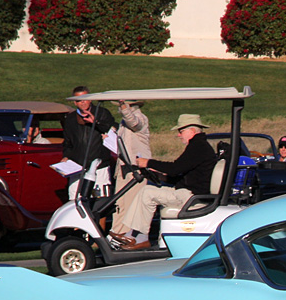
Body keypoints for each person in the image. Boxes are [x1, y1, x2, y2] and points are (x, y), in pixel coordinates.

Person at [109, 113, 216, 251]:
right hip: (187, 191)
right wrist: (158, 176)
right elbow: (182, 174)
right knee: (147, 191)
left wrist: (148, 162)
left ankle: (137, 237)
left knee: (148, 194)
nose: (179, 135)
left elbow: (175, 168)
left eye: (181, 131)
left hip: (191, 196)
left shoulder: (198, 147)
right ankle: (135, 236)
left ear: (192, 131)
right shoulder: (198, 146)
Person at [62, 85, 116, 199]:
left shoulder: (102, 113)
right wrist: (66, 156)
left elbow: (111, 130)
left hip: (99, 165)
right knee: (74, 198)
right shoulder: (70, 119)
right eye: (79, 100)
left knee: (101, 199)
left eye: (85, 99)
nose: (83, 102)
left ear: (90, 99)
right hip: (78, 166)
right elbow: (68, 142)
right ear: (75, 103)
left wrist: (95, 122)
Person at [112, 100, 151, 229]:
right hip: (124, 167)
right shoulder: (123, 123)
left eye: (122, 106)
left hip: (135, 168)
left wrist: (124, 108)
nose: (120, 108)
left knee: (131, 204)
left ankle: (129, 235)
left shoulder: (141, 118)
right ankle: (117, 233)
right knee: (119, 204)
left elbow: (134, 123)